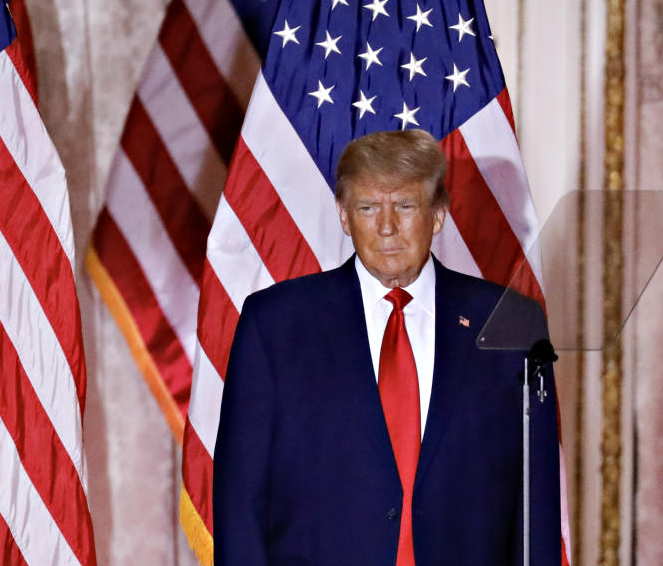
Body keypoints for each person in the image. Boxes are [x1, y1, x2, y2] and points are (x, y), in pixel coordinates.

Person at [213, 129, 561, 565]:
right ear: (344, 216)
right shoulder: (275, 325)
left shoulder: (512, 325)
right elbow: (239, 503)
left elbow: (536, 508)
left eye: (405, 205)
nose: (387, 226)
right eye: (368, 207)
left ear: (437, 215)